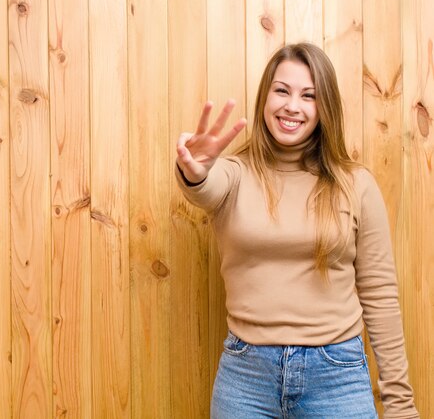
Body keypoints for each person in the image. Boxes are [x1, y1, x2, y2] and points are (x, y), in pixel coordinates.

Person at [175, 43, 419, 418]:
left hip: (337, 376)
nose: (293, 105)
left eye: (310, 95)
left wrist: (401, 406)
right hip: (246, 378)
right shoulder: (235, 173)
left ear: (325, 109)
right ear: (265, 98)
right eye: (282, 90)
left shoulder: (356, 184)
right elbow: (206, 188)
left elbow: (380, 295)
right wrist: (195, 171)